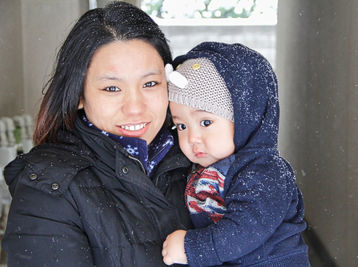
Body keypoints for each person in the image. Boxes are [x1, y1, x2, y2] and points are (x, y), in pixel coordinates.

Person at [1, 2, 192, 266]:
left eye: (150, 83)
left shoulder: (200, 159)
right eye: (112, 89)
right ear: (78, 94)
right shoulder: (47, 188)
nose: (135, 108)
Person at [162, 42, 310, 266]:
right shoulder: (204, 166)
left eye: (205, 122)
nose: (192, 137)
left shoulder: (266, 171)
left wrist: (192, 247)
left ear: (245, 119)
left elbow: (245, 229)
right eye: (181, 126)